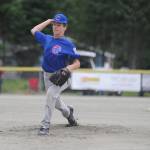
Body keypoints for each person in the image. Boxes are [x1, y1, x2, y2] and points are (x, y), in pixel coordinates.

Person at [31, 13, 80, 135]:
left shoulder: (68, 44)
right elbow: (34, 30)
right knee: (56, 103)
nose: (56, 27)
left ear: (65, 27)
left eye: (59, 25)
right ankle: (69, 113)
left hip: (62, 76)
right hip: (47, 76)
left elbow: (77, 63)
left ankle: (45, 126)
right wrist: (48, 21)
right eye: (54, 25)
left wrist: (68, 69)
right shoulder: (47, 38)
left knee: (50, 95)